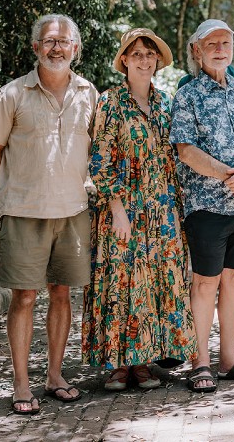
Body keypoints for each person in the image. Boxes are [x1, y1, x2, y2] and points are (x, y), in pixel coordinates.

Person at [0, 14, 97, 414]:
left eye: (64, 42)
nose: (56, 48)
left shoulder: (89, 93)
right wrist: (16, 192)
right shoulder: (11, 95)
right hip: (24, 212)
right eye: (49, 41)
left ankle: (54, 375)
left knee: (63, 294)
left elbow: (95, 150)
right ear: (35, 48)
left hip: (73, 212)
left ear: (76, 50)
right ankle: (20, 382)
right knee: (25, 297)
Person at [84, 28, 197, 391]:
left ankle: (145, 361)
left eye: (150, 53)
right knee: (121, 281)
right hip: (123, 207)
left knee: (155, 283)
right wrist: (117, 209)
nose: (144, 59)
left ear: (158, 61)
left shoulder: (167, 102)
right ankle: (119, 365)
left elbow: (176, 158)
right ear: (124, 61)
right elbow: (99, 160)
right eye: (136, 54)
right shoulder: (110, 102)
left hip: (162, 208)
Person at [170, 19, 234, 392]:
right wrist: (231, 174)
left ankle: (229, 358)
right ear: (197, 50)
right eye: (211, 43)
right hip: (207, 206)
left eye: (225, 42)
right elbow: (185, 150)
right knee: (205, 283)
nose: (219, 48)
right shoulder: (188, 95)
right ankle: (201, 361)